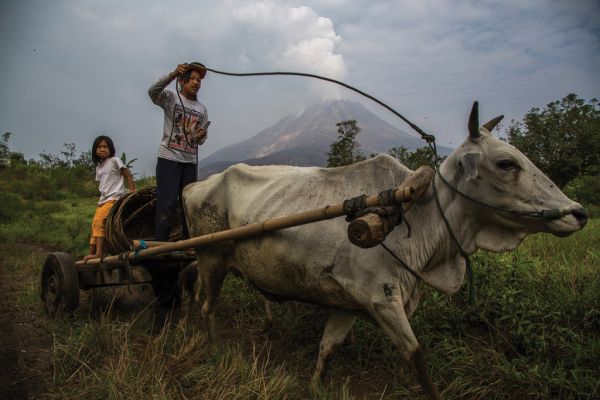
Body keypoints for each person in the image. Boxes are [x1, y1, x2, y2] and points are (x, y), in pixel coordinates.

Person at [148, 62, 209, 241]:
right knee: (167, 204)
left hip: (189, 162)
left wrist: (200, 135)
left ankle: (188, 245)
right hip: (169, 159)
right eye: (192, 79)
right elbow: (152, 92)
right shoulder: (171, 98)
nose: (196, 82)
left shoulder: (202, 109)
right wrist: (173, 73)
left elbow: (201, 140)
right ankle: (160, 246)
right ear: (182, 81)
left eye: (199, 80)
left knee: (188, 205)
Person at [84, 135, 136, 261]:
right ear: (95, 150)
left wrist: (133, 192)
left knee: (99, 222)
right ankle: (91, 253)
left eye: (105, 146)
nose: (102, 149)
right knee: (94, 226)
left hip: (114, 198)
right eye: (99, 147)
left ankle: (99, 253)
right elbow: (103, 184)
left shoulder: (115, 160)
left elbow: (127, 175)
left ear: (110, 149)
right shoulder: (99, 168)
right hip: (102, 200)